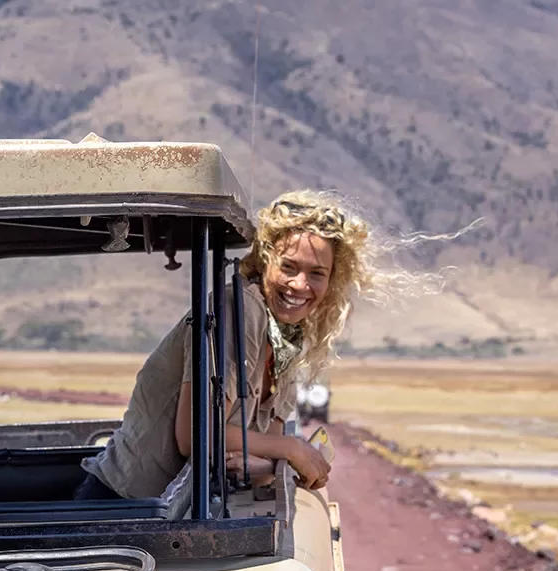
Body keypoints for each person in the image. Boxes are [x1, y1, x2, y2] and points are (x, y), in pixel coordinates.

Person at [79, 191, 395, 501]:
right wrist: (292, 449)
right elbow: (195, 437)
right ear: (265, 260)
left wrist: (270, 461)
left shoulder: (287, 336)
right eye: (289, 267)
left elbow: (262, 447)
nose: (301, 285)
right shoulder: (240, 311)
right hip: (121, 503)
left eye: (317, 274)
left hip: (178, 508)